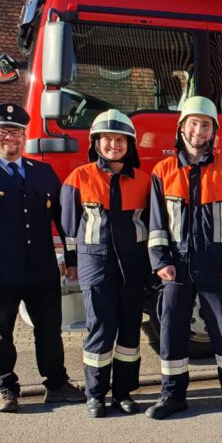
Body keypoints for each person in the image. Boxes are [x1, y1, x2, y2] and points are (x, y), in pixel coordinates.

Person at [0, 103, 84, 412]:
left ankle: (57, 384)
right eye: (3, 131)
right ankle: (5, 388)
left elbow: (65, 220)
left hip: (42, 269)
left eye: (17, 132)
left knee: (49, 330)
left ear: (24, 137)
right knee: (0, 334)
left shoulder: (43, 172)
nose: (11, 138)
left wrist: (71, 259)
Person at [146, 96, 222, 418]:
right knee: (171, 330)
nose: (199, 130)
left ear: (213, 132)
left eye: (205, 124)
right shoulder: (163, 171)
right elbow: (156, 224)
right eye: (193, 123)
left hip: (217, 264)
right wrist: (160, 260)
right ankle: (172, 396)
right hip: (176, 266)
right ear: (181, 128)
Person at [61, 110, 150, 418]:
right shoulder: (79, 178)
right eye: (107, 139)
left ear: (130, 144)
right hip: (94, 264)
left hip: (133, 265)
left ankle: (123, 393)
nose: (114, 145)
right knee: (100, 327)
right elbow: (69, 228)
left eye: (120, 140)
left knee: (129, 332)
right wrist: (71, 263)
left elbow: (153, 225)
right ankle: (95, 394)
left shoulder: (145, 181)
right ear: (96, 143)